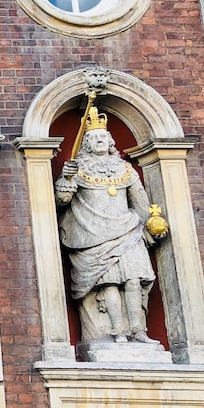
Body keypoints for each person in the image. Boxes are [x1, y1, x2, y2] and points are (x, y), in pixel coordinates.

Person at [55, 107, 164, 345]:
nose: (99, 140)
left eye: (103, 136)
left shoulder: (125, 169)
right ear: (86, 143)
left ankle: (138, 330)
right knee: (109, 283)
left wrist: (152, 223)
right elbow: (62, 201)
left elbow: (139, 200)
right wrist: (66, 179)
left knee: (134, 280)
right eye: (94, 137)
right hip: (94, 236)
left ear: (110, 140)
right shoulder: (78, 169)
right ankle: (117, 331)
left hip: (128, 230)